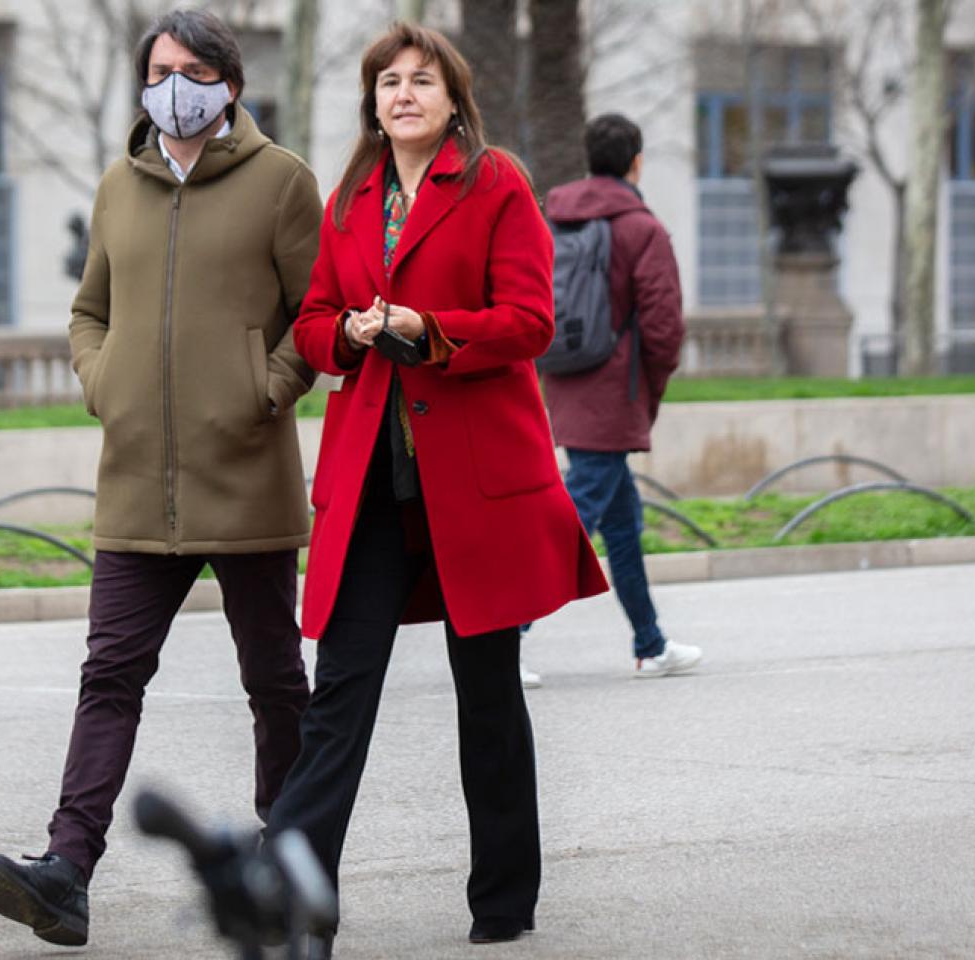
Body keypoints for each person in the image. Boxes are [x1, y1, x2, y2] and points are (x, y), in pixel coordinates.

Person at [0, 9, 323, 947]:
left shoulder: (283, 183)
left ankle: (287, 862)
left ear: (231, 86)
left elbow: (316, 315)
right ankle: (66, 869)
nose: (177, 85)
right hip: (134, 482)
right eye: (162, 69)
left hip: (245, 475)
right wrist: (104, 382)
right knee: (110, 674)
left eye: (196, 70)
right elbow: (89, 312)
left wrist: (266, 389)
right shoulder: (117, 187)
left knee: (276, 682)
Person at [263, 23, 607, 957]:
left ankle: (502, 902)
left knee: (487, 692)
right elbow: (315, 320)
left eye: (422, 81)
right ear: (372, 101)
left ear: (454, 97)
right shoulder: (350, 199)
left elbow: (531, 320)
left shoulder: (495, 183)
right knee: (339, 692)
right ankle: (298, 902)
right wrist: (355, 334)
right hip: (372, 477)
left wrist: (431, 330)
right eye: (387, 82)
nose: (402, 94)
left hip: (474, 483)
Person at [536, 113, 701, 682]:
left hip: (562, 375)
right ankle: (505, 633)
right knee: (572, 520)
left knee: (622, 520)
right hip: (614, 388)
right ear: (636, 161)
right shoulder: (641, 228)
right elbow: (663, 325)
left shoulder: (555, 217)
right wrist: (655, 377)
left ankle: (650, 643)